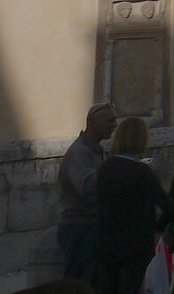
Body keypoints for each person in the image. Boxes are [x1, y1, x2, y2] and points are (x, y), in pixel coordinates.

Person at [94, 117, 174, 294]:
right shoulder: (142, 171)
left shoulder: (106, 168)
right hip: (136, 246)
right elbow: (167, 204)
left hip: (108, 244)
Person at [57, 103, 117, 285]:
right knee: (79, 284)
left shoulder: (97, 150)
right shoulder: (79, 153)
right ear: (92, 122)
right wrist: (115, 173)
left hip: (92, 226)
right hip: (79, 229)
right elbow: (87, 187)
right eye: (110, 120)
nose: (115, 125)